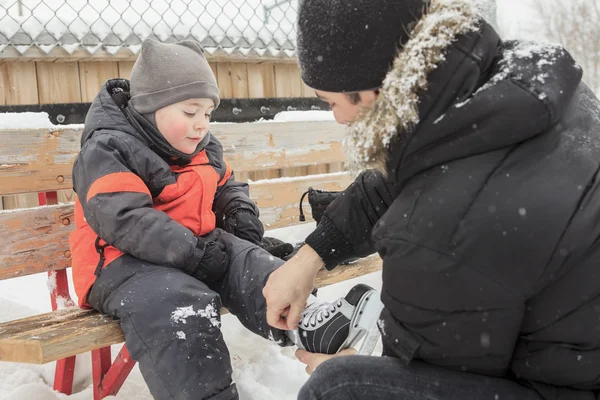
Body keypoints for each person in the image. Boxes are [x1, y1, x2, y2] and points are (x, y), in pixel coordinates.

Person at [262, 0, 600, 399]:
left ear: (372, 90)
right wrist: (310, 256)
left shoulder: (438, 229)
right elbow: (401, 176)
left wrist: (353, 362)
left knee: (339, 388)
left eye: (331, 102)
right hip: (578, 348)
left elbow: (426, 368)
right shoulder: (519, 86)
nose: (336, 118)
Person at [69, 38, 379, 400]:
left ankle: (311, 323)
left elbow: (226, 186)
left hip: (192, 250)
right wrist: (194, 252)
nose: (201, 124)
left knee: (250, 262)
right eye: (190, 112)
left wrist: (240, 218)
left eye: (207, 114)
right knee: (178, 303)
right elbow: (124, 219)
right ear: (150, 106)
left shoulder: (202, 146)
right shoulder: (109, 148)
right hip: (122, 265)